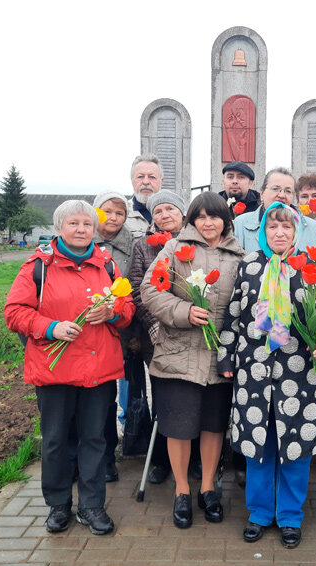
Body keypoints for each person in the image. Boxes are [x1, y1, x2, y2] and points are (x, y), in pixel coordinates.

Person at [218, 202, 316, 549]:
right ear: (262, 230)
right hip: (255, 373)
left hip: (302, 374)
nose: (279, 233)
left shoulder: (312, 266)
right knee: (258, 446)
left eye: (286, 228)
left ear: (297, 232)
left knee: (295, 447)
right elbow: (233, 315)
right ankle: (260, 513)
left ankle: (290, 516)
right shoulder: (249, 266)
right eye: (272, 227)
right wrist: (225, 356)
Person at [4, 200, 135, 536]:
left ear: (95, 229)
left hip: (98, 368)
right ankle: (59, 504)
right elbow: (15, 312)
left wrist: (113, 313)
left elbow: (127, 307)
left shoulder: (105, 265)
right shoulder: (39, 266)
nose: (81, 230)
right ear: (59, 227)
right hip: (54, 368)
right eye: (74, 224)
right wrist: (52, 328)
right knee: (56, 440)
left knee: (94, 440)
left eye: (87, 224)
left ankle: (91, 506)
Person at [140, 191, 245, 529]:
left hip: (220, 355)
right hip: (178, 353)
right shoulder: (174, 250)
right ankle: (182, 491)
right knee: (179, 426)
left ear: (225, 221)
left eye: (214, 216)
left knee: (214, 425)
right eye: (201, 217)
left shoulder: (240, 256)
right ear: (192, 221)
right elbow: (150, 290)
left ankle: (209, 487)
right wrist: (184, 311)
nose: (208, 223)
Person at [129, 189, 189, 485]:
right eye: (159, 211)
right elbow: (137, 288)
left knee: (192, 397)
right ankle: (163, 460)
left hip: (192, 332)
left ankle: (195, 460)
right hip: (158, 337)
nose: (165, 215)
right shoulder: (142, 247)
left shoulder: (194, 240)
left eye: (170, 209)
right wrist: (155, 325)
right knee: (164, 398)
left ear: (182, 212)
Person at [90, 191, 134, 483]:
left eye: (120, 213)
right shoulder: (82, 238)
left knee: (106, 397)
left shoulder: (131, 246)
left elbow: (131, 288)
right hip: (81, 329)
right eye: (107, 212)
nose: (113, 218)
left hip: (115, 327)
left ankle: (107, 457)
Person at [233, 167, 316, 252]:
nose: (282, 195)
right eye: (275, 189)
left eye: (288, 191)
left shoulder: (315, 230)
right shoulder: (239, 226)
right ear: (262, 194)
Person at [124, 154, 164, 240]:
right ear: (132, 180)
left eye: (152, 177)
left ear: (161, 181)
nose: (146, 182)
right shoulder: (121, 215)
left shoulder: (175, 216)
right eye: (140, 177)